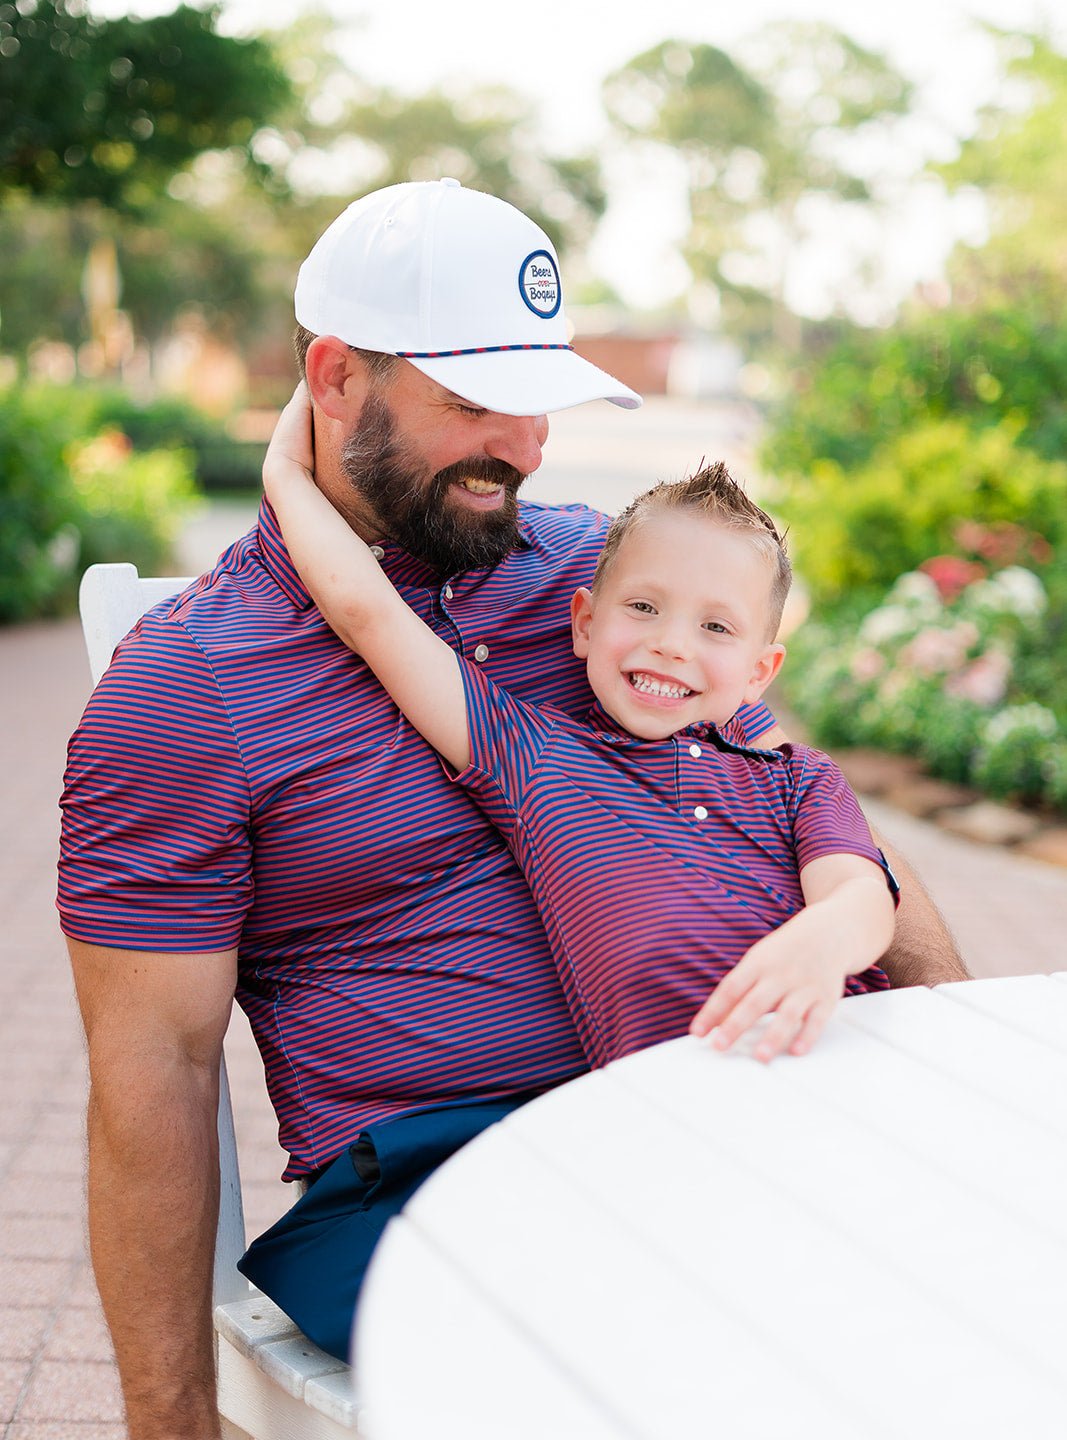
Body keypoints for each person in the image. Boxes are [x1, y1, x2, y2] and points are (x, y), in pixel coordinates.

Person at [58, 179, 968, 1427]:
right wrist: (169, 1424)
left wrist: (952, 1086)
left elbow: (794, 809)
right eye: (475, 403)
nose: (527, 447)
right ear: (334, 379)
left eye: (537, 402)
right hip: (434, 1184)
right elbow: (153, 1071)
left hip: (694, 1116)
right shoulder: (186, 689)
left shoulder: (613, 584)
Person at [262, 391, 897, 1072]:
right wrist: (285, 476)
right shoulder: (533, 757)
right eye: (644, 607)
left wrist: (823, 942)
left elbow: (860, 894)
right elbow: (369, 615)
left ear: (758, 673)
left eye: (715, 627)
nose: (671, 645)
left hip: (854, 1057)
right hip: (680, 1100)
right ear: (585, 623)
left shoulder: (797, 777)